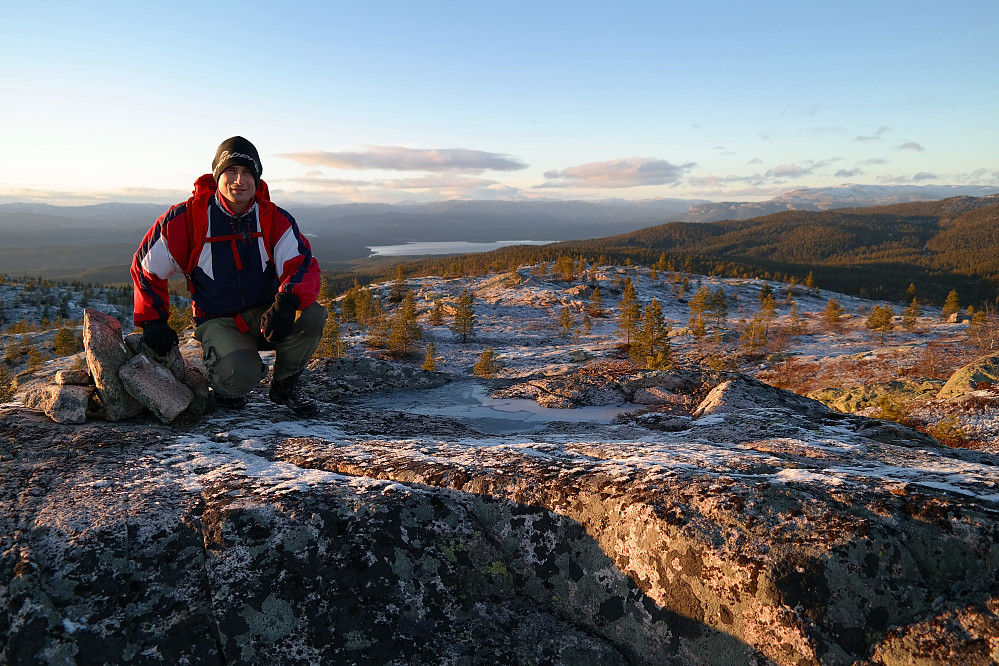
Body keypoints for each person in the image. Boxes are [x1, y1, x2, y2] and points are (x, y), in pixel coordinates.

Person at [131, 136, 327, 417]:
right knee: (238, 377)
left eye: (248, 172)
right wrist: (153, 321)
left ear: (257, 179)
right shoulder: (188, 218)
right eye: (231, 172)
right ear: (217, 176)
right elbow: (145, 266)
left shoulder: (273, 218)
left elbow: (303, 264)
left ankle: (286, 384)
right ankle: (226, 385)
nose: (239, 180)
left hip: (265, 314)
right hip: (218, 320)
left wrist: (286, 301)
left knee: (313, 316)